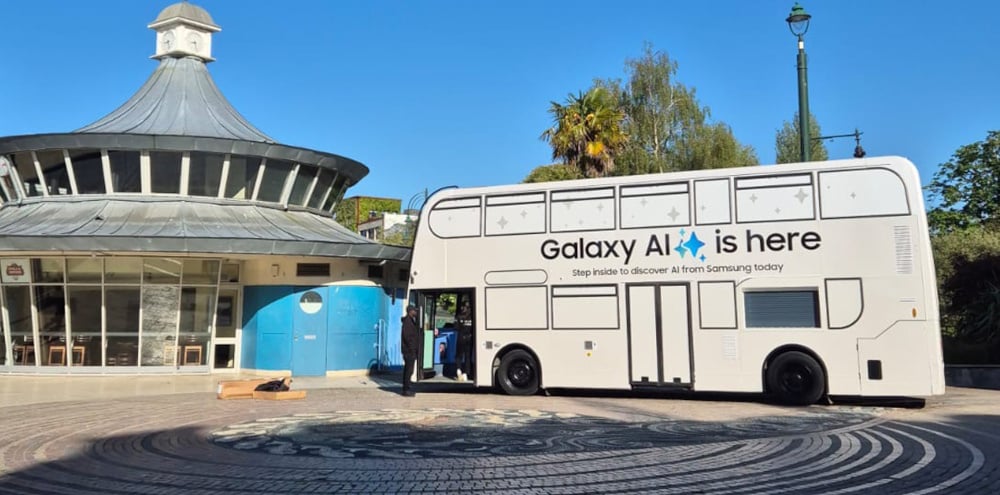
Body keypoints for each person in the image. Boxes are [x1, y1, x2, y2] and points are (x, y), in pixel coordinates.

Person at [400, 304, 420, 397]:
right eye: (414, 311)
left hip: (410, 350)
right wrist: (412, 350)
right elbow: (408, 338)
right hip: (408, 351)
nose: (416, 312)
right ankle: (406, 389)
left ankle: (407, 387)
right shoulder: (408, 322)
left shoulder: (411, 321)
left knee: (409, 370)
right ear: (410, 312)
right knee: (408, 370)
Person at [454, 299, 473, 382]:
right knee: (468, 356)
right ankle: (466, 374)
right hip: (469, 337)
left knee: (459, 355)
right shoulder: (472, 317)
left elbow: (456, 327)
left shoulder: (459, 316)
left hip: (461, 337)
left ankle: (458, 371)